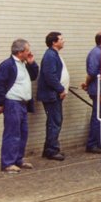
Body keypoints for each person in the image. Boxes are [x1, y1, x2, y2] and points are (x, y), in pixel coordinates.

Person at [0, 39, 39, 174]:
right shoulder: (7, 65)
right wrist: (0, 103)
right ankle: (8, 163)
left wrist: (32, 63)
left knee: (23, 132)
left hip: (22, 103)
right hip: (12, 102)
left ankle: (18, 159)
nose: (30, 52)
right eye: (27, 50)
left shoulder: (23, 64)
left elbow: (34, 76)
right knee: (12, 133)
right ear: (20, 52)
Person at [37, 31, 68, 161]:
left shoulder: (53, 54)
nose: (63, 41)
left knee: (55, 121)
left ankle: (49, 148)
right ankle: (52, 150)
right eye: (61, 39)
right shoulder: (50, 56)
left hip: (53, 95)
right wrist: (60, 89)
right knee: (54, 121)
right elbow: (50, 75)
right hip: (51, 95)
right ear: (54, 42)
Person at [80, 32, 101, 154]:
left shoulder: (100, 52)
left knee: (100, 116)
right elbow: (92, 72)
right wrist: (87, 84)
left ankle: (98, 142)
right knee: (97, 116)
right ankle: (93, 143)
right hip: (98, 89)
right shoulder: (97, 53)